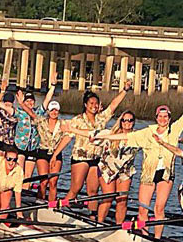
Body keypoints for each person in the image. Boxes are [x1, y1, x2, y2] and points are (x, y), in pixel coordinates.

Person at [97, 82, 183, 238]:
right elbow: (126, 136)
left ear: (169, 118)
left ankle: (156, 238)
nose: (163, 119)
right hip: (148, 174)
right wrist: (104, 136)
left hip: (166, 175)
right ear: (156, 118)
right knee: (143, 209)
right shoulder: (147, 132)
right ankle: (143, 235)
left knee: (159, 209)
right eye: (160, 116)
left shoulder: (175, 129)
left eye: (166, 116)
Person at [53, 82, 130, 213]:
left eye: (96, 104)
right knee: (76, 187)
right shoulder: (77, 120)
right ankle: (61, 208)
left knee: (93, 191)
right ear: (85, 105)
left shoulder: (101, 118)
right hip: (80, 157)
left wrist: (125, 90)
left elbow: (113, 105)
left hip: (96, 159)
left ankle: (92, 216)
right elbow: (67, 137)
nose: (94, 106)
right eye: (91, 104)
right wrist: (55, 154)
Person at [64, 111, 140, 225]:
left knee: (122, 200)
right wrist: (72, 130)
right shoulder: (110, 133)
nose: (127, 123)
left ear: (133, 122)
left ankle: (120, 227)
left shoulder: (138, 136)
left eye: (130, 120)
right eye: (124, 120)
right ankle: (99, 223)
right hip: (107, 170)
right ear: (121, 122)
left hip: (125, 172)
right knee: (108, 198)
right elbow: (91, 133)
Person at [0, 87, 55, 185]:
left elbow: (47, 99)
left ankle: (24, 194)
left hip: (32, 148)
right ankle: (15, 191)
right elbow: (4, 107)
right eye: (27, 101)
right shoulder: (19, 113)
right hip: (20, 147)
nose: (30, 103)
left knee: (28, 176)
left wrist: (53, 85)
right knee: (19, 173)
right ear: (23, 102)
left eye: (32, 101)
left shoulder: (39, 112)